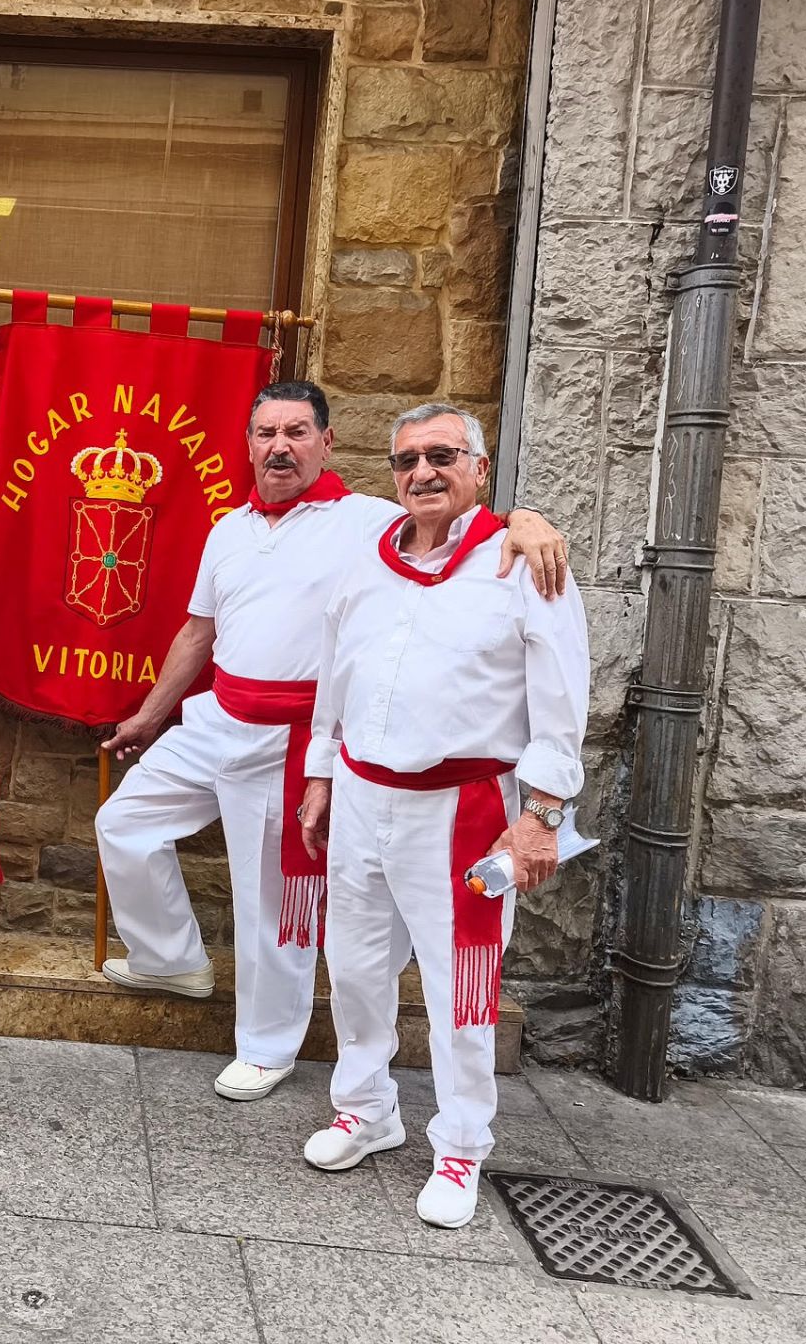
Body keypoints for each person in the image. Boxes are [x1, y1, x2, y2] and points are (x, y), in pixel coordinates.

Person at [94, 382, 568, 1104]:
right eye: (265, 433)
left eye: (295, 432)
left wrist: (526, 519)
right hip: (217, 716)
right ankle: (170, 958)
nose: (279, 446)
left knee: (273, 902)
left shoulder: (366, 519)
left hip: (293, 737)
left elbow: (454, 518)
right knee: (123, 825)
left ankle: (267, 1045)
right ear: (250, 443)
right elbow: (198, 633)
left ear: (326, 442)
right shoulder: (228, 529)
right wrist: (151, 716)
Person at [297, 401, 589, 1228]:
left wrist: (538, 817)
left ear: (480, 468)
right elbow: (334, 679)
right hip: (360, 796)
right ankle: (366, 1108)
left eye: (442, 455)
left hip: (461, 809)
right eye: (406, 460)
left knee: (462, 987)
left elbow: (562, 702)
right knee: (353, 966)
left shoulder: (523, 558)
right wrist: (321, 775)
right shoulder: (368, 563)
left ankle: (461, 1145)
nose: (422, 472)